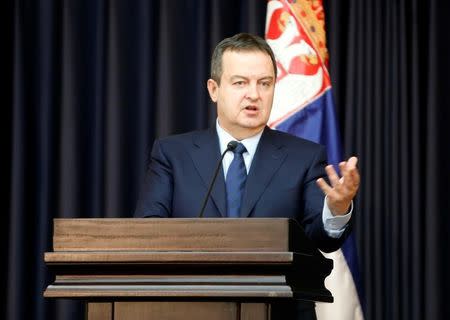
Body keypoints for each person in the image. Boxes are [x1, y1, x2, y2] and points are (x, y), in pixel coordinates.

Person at [135, 33, 360, 320]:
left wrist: (337, 209)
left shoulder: (305, 157)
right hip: (189, 309)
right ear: (214, 89)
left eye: (264, 83)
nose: (254, 94)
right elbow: (148, 231)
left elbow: (321, 238)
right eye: (240, 82)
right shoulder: (172, 154)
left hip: (279, 312)